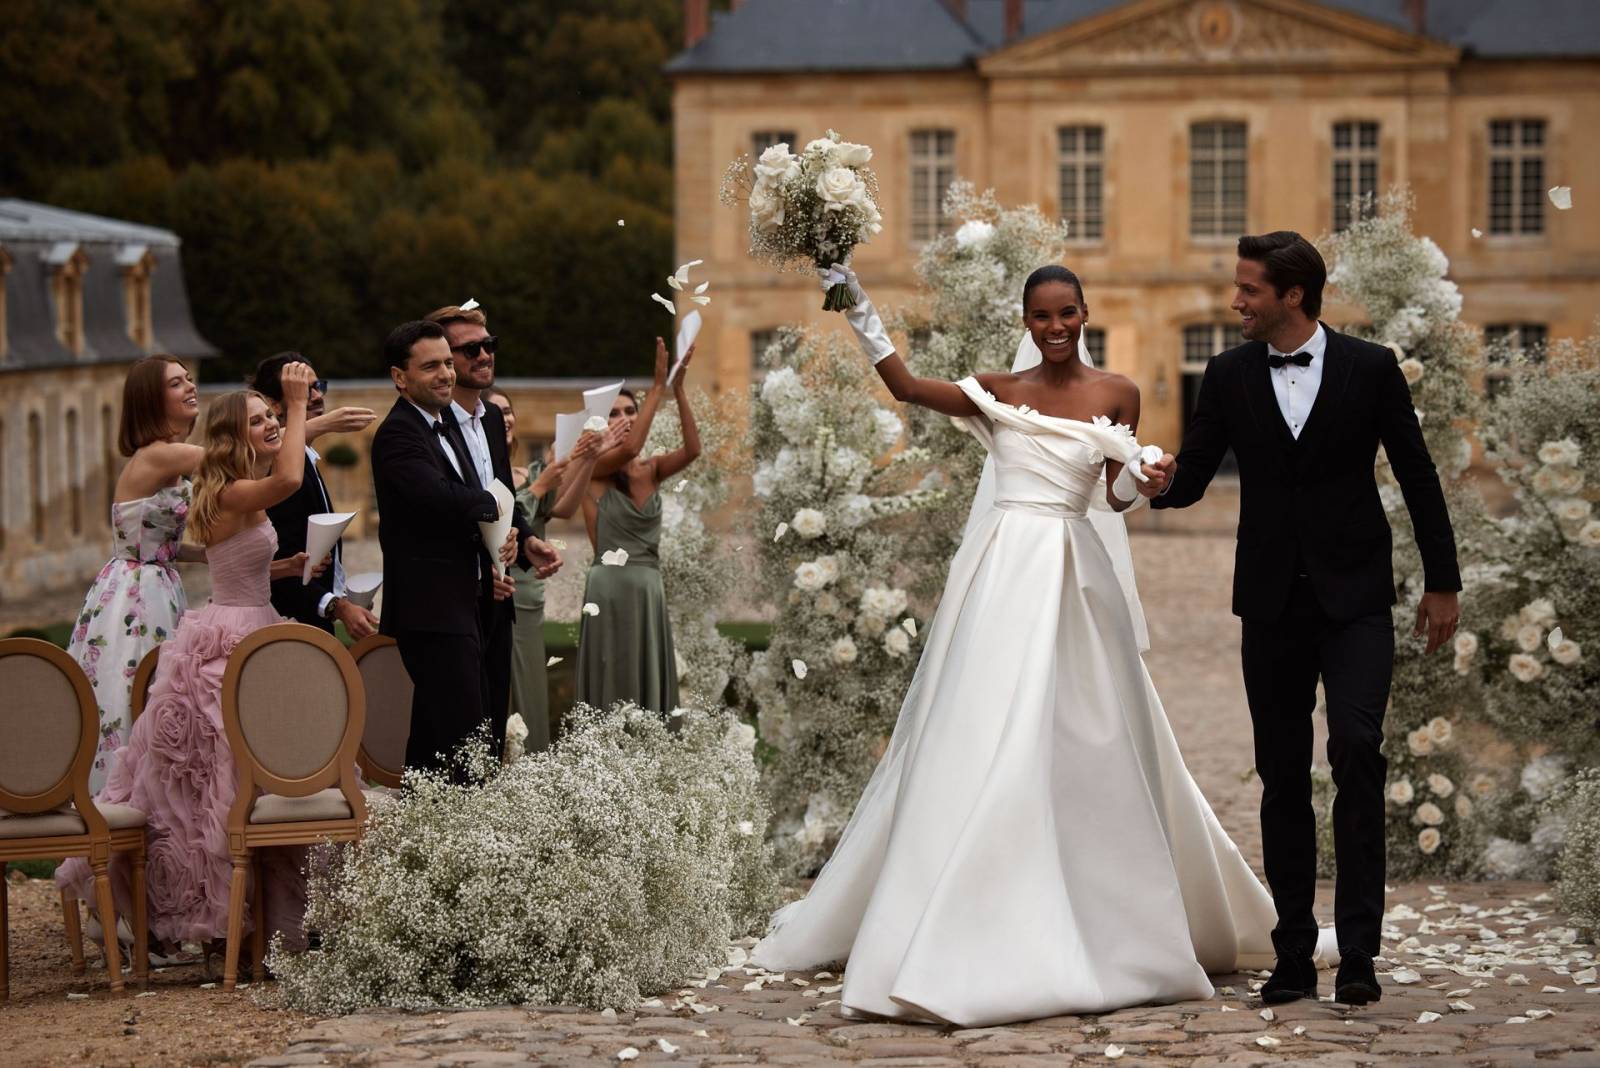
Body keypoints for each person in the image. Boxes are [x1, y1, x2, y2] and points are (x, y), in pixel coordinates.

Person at [749, 263, 1336, 1027]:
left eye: (1067, 313)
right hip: (1004, 576)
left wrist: (1145, 479)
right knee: (989, 726)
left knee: (1092, 734)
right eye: (1041, 316)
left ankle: (1102, 913)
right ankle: (969, 913)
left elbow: (1112, 496)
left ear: (1085, 314)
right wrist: (856, 303)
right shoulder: (998, 391)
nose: (1055, 327)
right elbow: (906, 386)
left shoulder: (1118, 391)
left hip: (1075, 574)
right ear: (1025, 322)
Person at [1144, 231, 1461, 1006]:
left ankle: (1359, 953)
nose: (1236, 302)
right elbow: (1193, 475)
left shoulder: (1370, 368)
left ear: (1293, 295)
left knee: (1356, 748)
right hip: (1271, 603)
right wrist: (1156, 481)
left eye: (1249, 289)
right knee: (1282, 776)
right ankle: (1292, 953)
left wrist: (1443, 582)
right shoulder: (1228, 374)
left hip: (1357, 600)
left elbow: (1417, 475)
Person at [58, 365, 322, 955]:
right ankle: (154, 902)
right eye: (175, 382)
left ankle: (250, 911)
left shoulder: (207, 477)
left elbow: (201, 539)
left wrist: (270, 565)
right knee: (169, 746)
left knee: (212, 757)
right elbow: (271, 472)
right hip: (153, 602)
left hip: (198, 596)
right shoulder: (172, 460)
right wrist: (299, 411)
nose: (188, 386)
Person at [370, 320, 559, 775]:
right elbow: (439, 496)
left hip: (471, 598)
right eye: (431, 366)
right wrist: (497, 510)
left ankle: (428, 817)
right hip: (431, 605)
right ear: (400, 377)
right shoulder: (398, 433)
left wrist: (516, 538)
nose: (445, 374)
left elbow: (483, 487)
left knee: (444, 740)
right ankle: (464, 818)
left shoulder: (447, 424)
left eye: (446, 364)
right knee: (463, 741)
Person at [424, 304, 564, 756]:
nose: (484, 355)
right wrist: (483, 569)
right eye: (470, 349)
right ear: (443, 361)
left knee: (491, 738)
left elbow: (502, 497)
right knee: (453, 745)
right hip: (451, 604)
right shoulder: (428, 426)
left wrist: (528, 540)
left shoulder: (489, 420)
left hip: (499, 604)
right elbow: (438, 513)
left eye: (488, 345)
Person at [69, 355, 204, 792]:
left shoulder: (165, 456)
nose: (190, 386)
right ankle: (127, 795)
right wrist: (307, 424)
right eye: (176, 383)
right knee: (137, 690)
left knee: (148, 692)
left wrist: (214, 557)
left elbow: (161, 543)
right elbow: (237, 461)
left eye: (189, 378)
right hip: (139, 596)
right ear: (151, 400)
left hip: (153, 582)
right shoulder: (162, 454)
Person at [574, 338, 699, 715]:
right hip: (609, 586)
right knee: (613, 679)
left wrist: (678, 391)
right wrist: (658, 386)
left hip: (648, 587)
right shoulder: (593, 469)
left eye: (630, 410)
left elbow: (693, 450)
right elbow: (627, 449)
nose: (625, 418)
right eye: (614, 414)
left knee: (649, 682)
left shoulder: (652, 469)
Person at [485, 388, 608, 752]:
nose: (505, 418)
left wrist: (586, 460)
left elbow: (564, 509)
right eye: (495, 412)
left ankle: (532, 761)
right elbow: (501, 520)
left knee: (531, 689)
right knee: (502, 688)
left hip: (532, 594)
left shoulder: (531, 472)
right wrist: (539, 487)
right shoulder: (483, 476)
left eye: (508, 411)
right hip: (498, 590)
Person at [250, 352, 379, 639]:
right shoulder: (277, 467)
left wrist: (343, 598)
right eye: (302, 390)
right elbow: (283, 557)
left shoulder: (306, 459)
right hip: (286, 626)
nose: (317, 396)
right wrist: (335, 606)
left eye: (318, 386)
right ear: (273, 406)